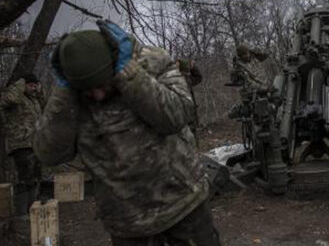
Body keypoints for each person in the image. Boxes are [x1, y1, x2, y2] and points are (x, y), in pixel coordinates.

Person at [34, 21, 220, 246]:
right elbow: (49, 154)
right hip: (126, 219)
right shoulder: (69, 94)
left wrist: (129, 75)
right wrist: (64, 92)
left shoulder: (153, 61)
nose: (98, 95)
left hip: (183, 202)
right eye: (88, 90)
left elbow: (176, 117)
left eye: (101, 84)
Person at [0, 73, 44, 216]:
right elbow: (10, 100)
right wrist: (20, 84)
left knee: (36, 175)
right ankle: (22, 212)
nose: (33, 88)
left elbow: (45, 106)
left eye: (34, 85)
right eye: (30, 85)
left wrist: (40, 91)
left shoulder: (33, 100)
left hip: (34, 142)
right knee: (24, 177)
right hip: (20, 143)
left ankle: (33, 207)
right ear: (23, 85)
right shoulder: (15, 96)